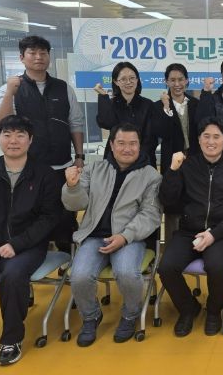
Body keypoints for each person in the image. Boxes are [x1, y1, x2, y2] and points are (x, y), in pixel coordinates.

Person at [62, 123, 162, 347]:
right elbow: (74, 204)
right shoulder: (95, 169)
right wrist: (72, 187)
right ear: (112, 145)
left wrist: (124, 237)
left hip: (130, 239)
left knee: (126, 272)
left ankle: (130, 314)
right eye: (121, 143)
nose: (127, 148)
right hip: (94, 237)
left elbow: (150, 214)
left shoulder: (151, 176)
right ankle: (91, 316)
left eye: (133, 143)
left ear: (140, 146)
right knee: (78, 276)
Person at [0, 115, 61, 367]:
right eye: (7, 135)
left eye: (20, 135)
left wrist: (17, 244)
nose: (13, 141)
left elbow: (49, 217)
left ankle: (11, 339)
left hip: (29, 245)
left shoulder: (44, 174)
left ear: (30, 140)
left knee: (12, 276)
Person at [0, 35, 85, 252]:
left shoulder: (63, 88)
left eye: (43, 53)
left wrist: (79, 156)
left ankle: (68, 257)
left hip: (61, 166)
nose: (38, 57)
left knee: (65, 218)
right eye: (32, 53)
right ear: (22, 58)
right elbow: (1, 124)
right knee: (29, 217)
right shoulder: (10, 88)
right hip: (28, 169)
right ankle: (32, 257)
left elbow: (75, 123)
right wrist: (10, 92)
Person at [158, 117, 223, 337]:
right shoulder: (187, 166)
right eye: (206, 136)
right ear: (198, 140)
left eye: (216, 137)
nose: (211, 141)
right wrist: (172, 170)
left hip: (220, 233)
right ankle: (188, 309)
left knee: (216, 267)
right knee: (166, 267)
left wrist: (214, 234)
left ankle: (214, 311)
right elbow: (167, 200)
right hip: (188, 231)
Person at [151, 63, 199, 242]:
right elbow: (162, 132)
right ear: (166, 82)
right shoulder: (158, 106)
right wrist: (166, 108)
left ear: (187, 81)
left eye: (180, 79)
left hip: (194, 162)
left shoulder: (195, 104)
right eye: (172, 80)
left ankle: (193, 244)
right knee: (172, 202)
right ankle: (171, 246)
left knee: (194, 202)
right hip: (172, 161)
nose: (177, 84)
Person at [94, 61, 156, 167]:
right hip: (115, 161)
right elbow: (105, 123)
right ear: (116, 82)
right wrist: (103, 97)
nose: (128, 82)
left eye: (132, 78)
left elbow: (151, 138)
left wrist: (136, 158)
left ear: (137, 79)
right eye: (123, 79)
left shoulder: (148, 104)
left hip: (143, 161)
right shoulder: (111, 103)